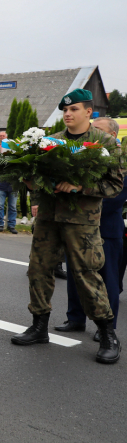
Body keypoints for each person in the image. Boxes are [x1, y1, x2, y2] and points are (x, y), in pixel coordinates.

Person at [14, 89, 122, 364]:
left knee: (87, 275)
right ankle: (39, 326)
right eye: (65, 110)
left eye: (73, 109)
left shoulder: (105, 142)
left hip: (81, 222)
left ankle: (107, 333)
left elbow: (115, 186)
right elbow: (40, 177)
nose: (67, 114)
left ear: (88, 112)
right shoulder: (52, 141)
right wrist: (31, 182)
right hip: (49, 219)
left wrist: (79, 186)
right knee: (38, 270)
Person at [59, 116, 127, 353]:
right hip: (77, 226)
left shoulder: (118, 159)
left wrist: (80, 201)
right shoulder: (82, 156)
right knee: (76, 275)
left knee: (106, 280)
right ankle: (75, 318)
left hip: (105, 229)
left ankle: (105, 326)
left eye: (98, 130)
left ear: (111, 136)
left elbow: (115, 197)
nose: (91, 133)